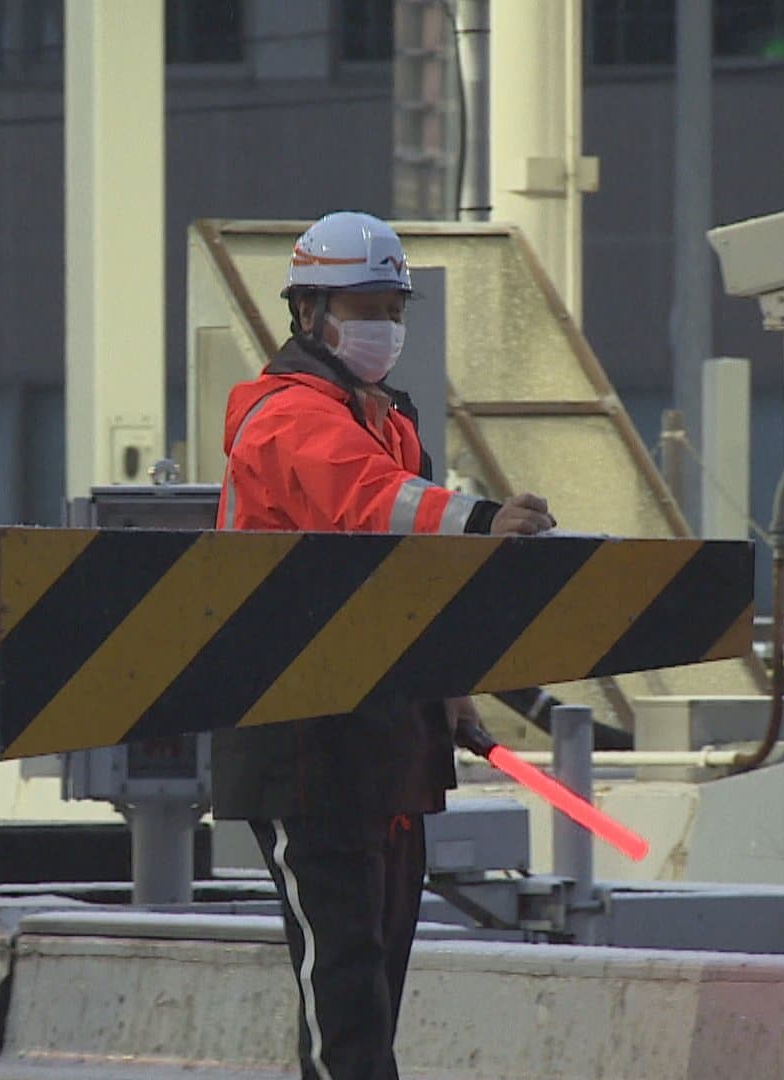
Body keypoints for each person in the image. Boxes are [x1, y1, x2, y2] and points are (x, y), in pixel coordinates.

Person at [212, 211, 557, 1080]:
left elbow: (407, 583)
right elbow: (367, 502)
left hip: (383, 739)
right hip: (303, 737)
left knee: (369, 983)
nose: (384, 326)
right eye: (365, 305)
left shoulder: (387, 422)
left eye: (392, 306)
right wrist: (485, 519)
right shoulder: (285, 418)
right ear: (309, 314)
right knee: (348, 991)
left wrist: (450, 691)